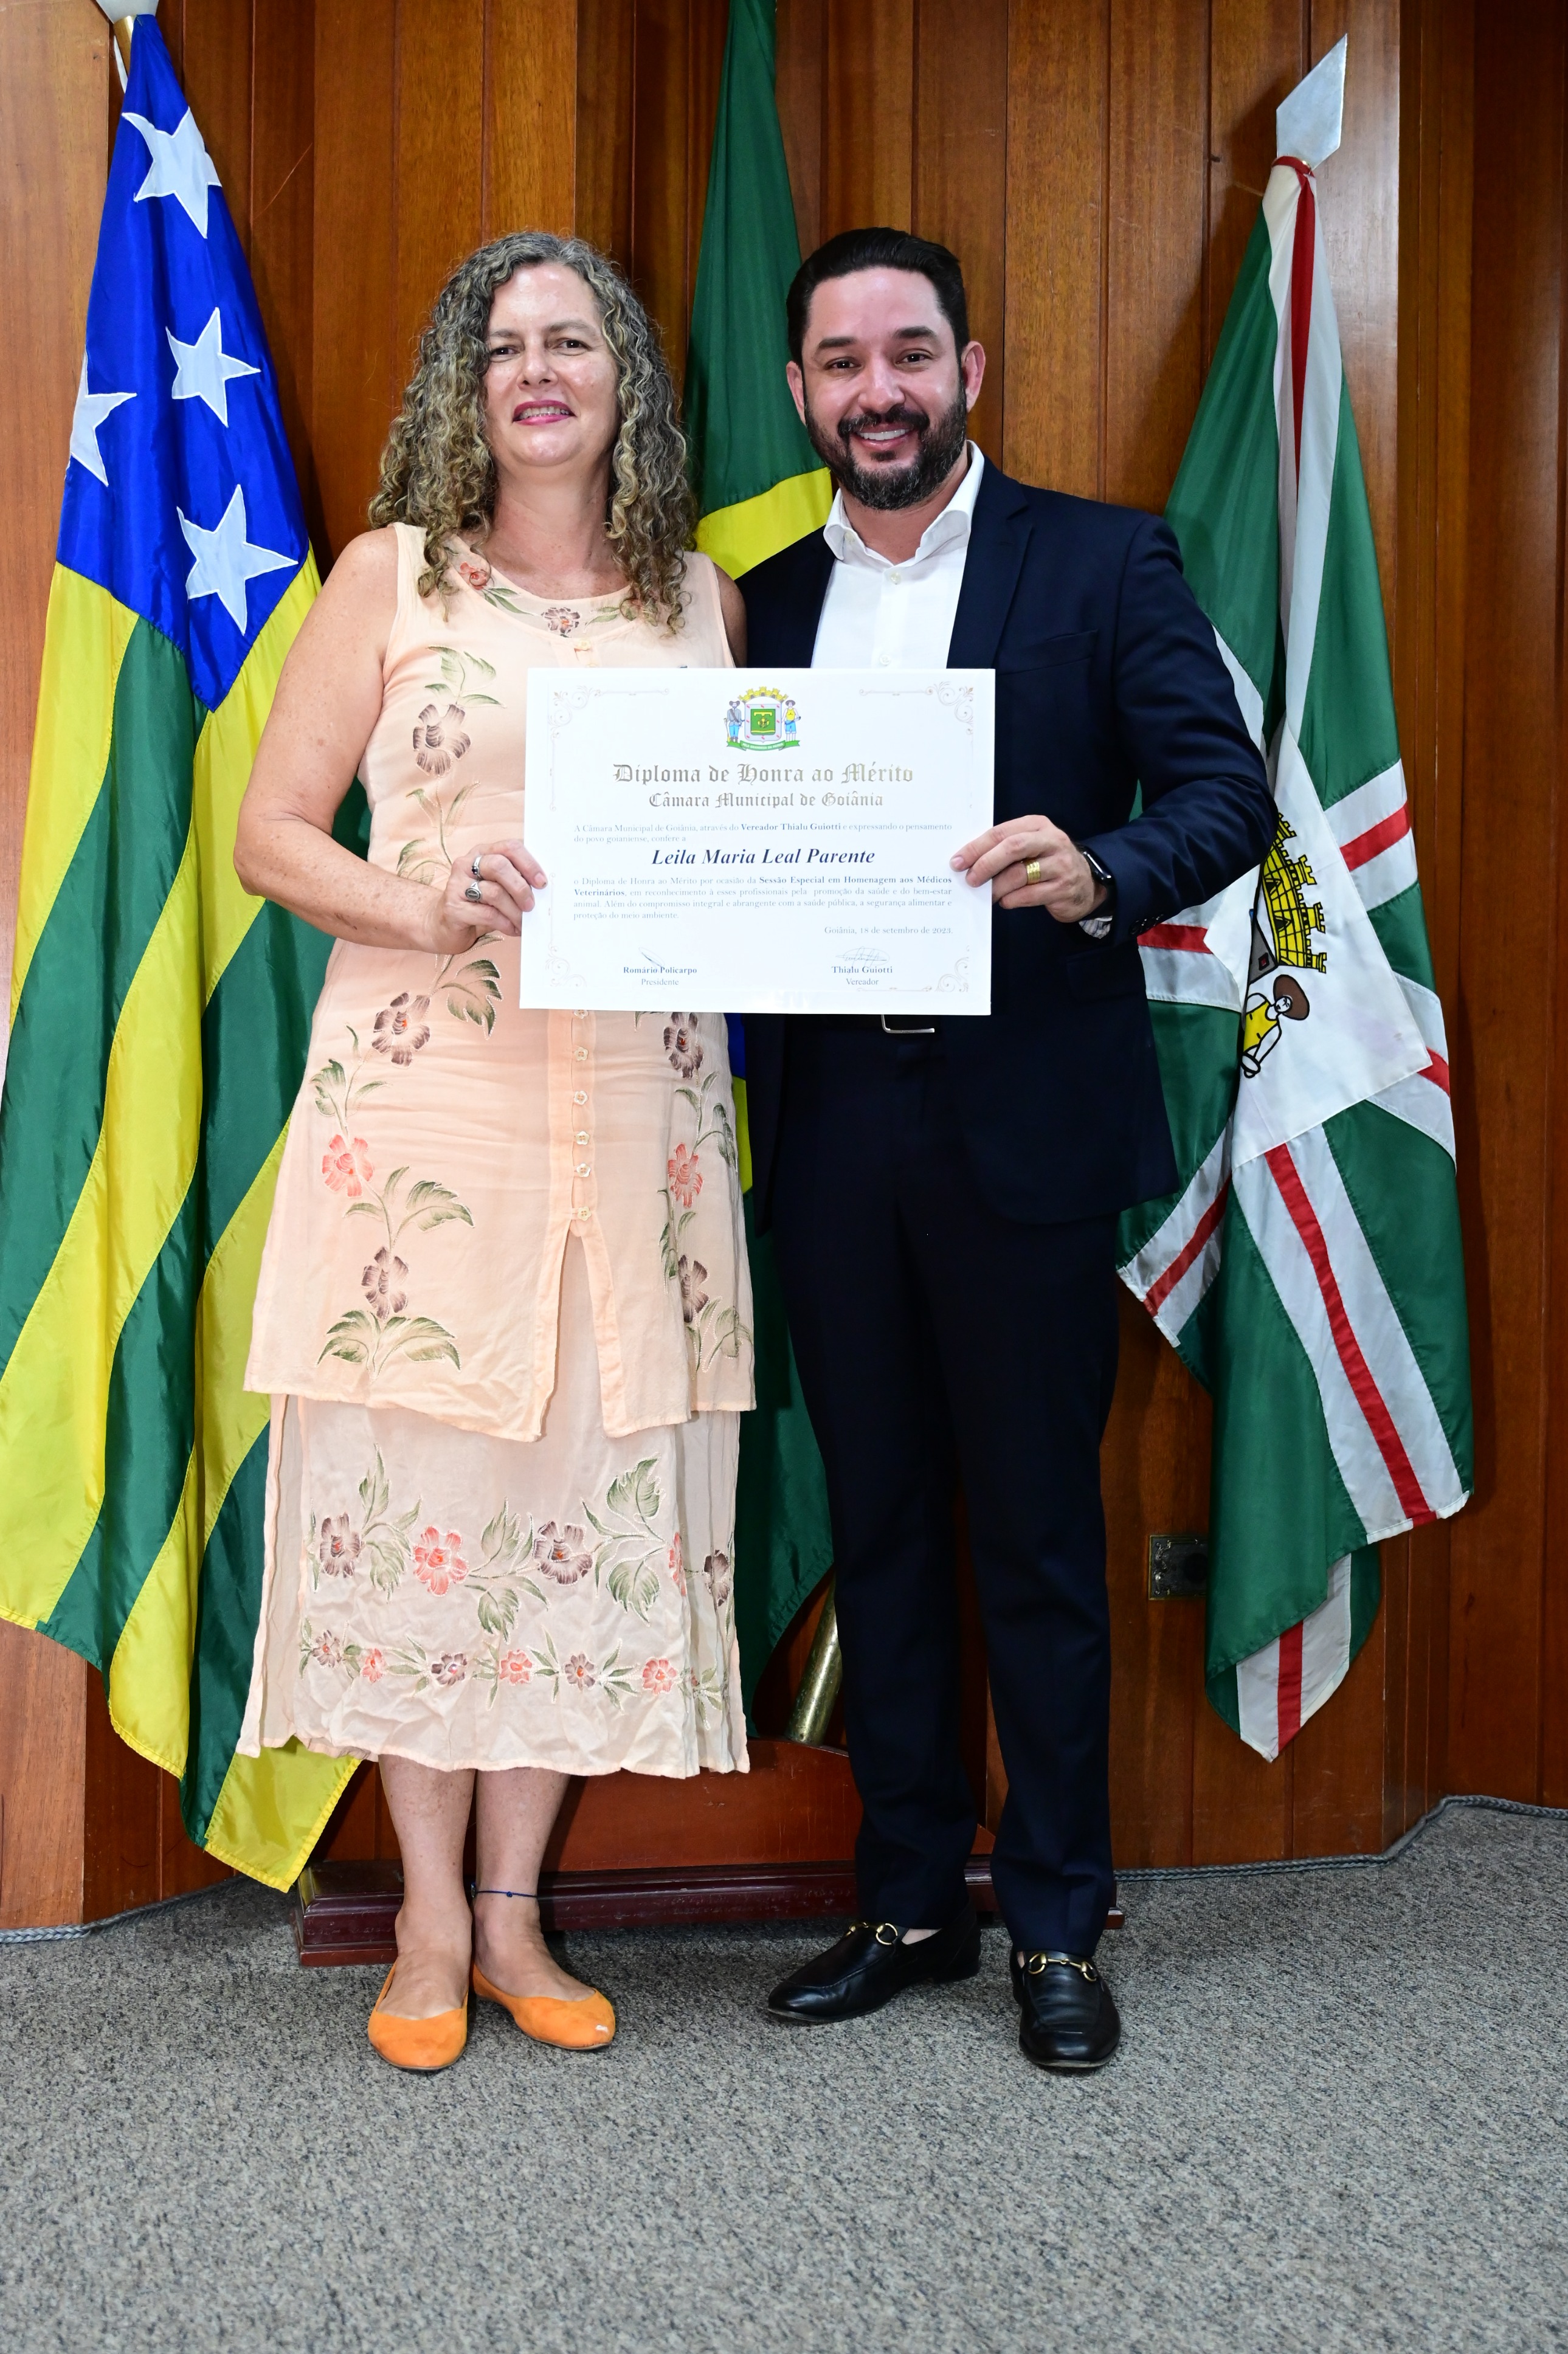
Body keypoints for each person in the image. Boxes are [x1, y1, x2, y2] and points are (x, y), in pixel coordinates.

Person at [741, 227, 1275, 2071]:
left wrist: (1102, 867)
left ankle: (1055, 1919)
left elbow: (1225, 796)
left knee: (1038, 1536)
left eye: (909, 354)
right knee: (882, 1527)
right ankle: (909, 1901)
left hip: (1023, 1118)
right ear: (801, 390)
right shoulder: (757, 601)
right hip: (830, 1122)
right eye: (841, 364)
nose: (876, 392)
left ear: (970, 369)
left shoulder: (1105, 559)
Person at [233, 232, 753, 2073]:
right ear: (466, 387)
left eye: (572, 341)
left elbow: (741, 841)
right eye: (503, 345)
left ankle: (519, 1913)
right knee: (429, 1505)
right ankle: (428, 1922)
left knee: (570, 1503)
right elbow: (270, 835)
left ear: (626, 381)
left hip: (637, 1114)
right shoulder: (392, 576)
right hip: (426, 1113)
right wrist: (419, 893)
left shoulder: (697, 597)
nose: (538, 371)